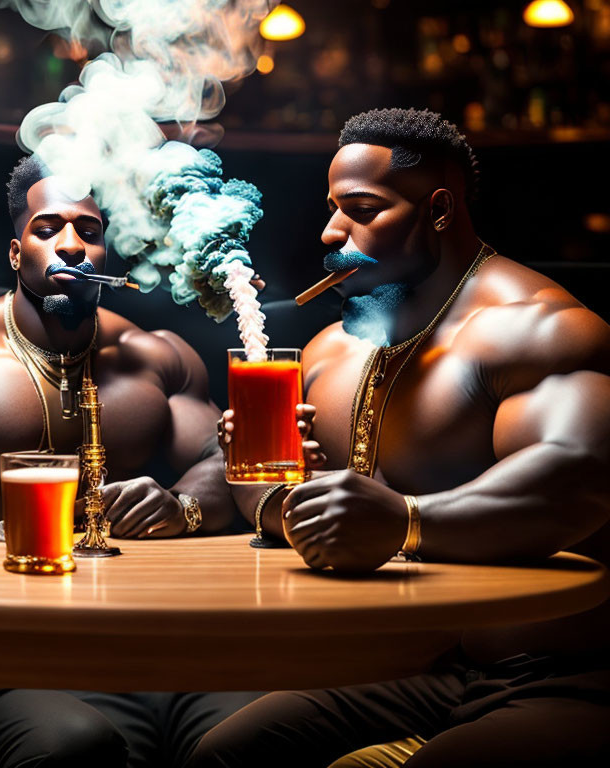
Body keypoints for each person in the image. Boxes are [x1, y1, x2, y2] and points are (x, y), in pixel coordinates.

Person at [196, 108, 610, 767]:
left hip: (565, 674)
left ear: (439, 210)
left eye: (362, 208)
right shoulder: (331, 351)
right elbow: (287, 516)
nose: (333, 231)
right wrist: (272, 485)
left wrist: (408, 521)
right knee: (224, 755)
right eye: (333, 207)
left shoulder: (535, 327)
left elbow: (576, 478)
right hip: (427, 666)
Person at [0, 155, 258, 767]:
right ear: (16, 253)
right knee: (76, 749)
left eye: (89, 232)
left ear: (107, 255)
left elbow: (224, 462)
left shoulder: (157, 357)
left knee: (252, 740)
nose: (70, 246)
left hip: (150, 638)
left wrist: (183, 507)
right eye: (47, 228)